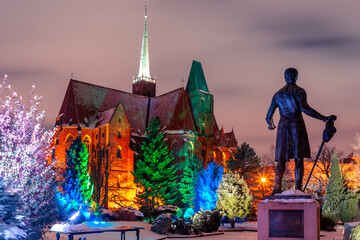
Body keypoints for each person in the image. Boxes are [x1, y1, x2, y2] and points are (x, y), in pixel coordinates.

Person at [266, 68, 336, 195]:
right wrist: (323, 118)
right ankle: (298, 188)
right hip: (296, 125)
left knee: (281, 159)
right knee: (299, 158)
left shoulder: (277, 95)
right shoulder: (299, 91)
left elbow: (268, 116)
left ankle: (276, 187)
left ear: (285, 77)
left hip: (283, 127)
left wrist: (271, 125)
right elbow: (305, 108)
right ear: (296, 77)